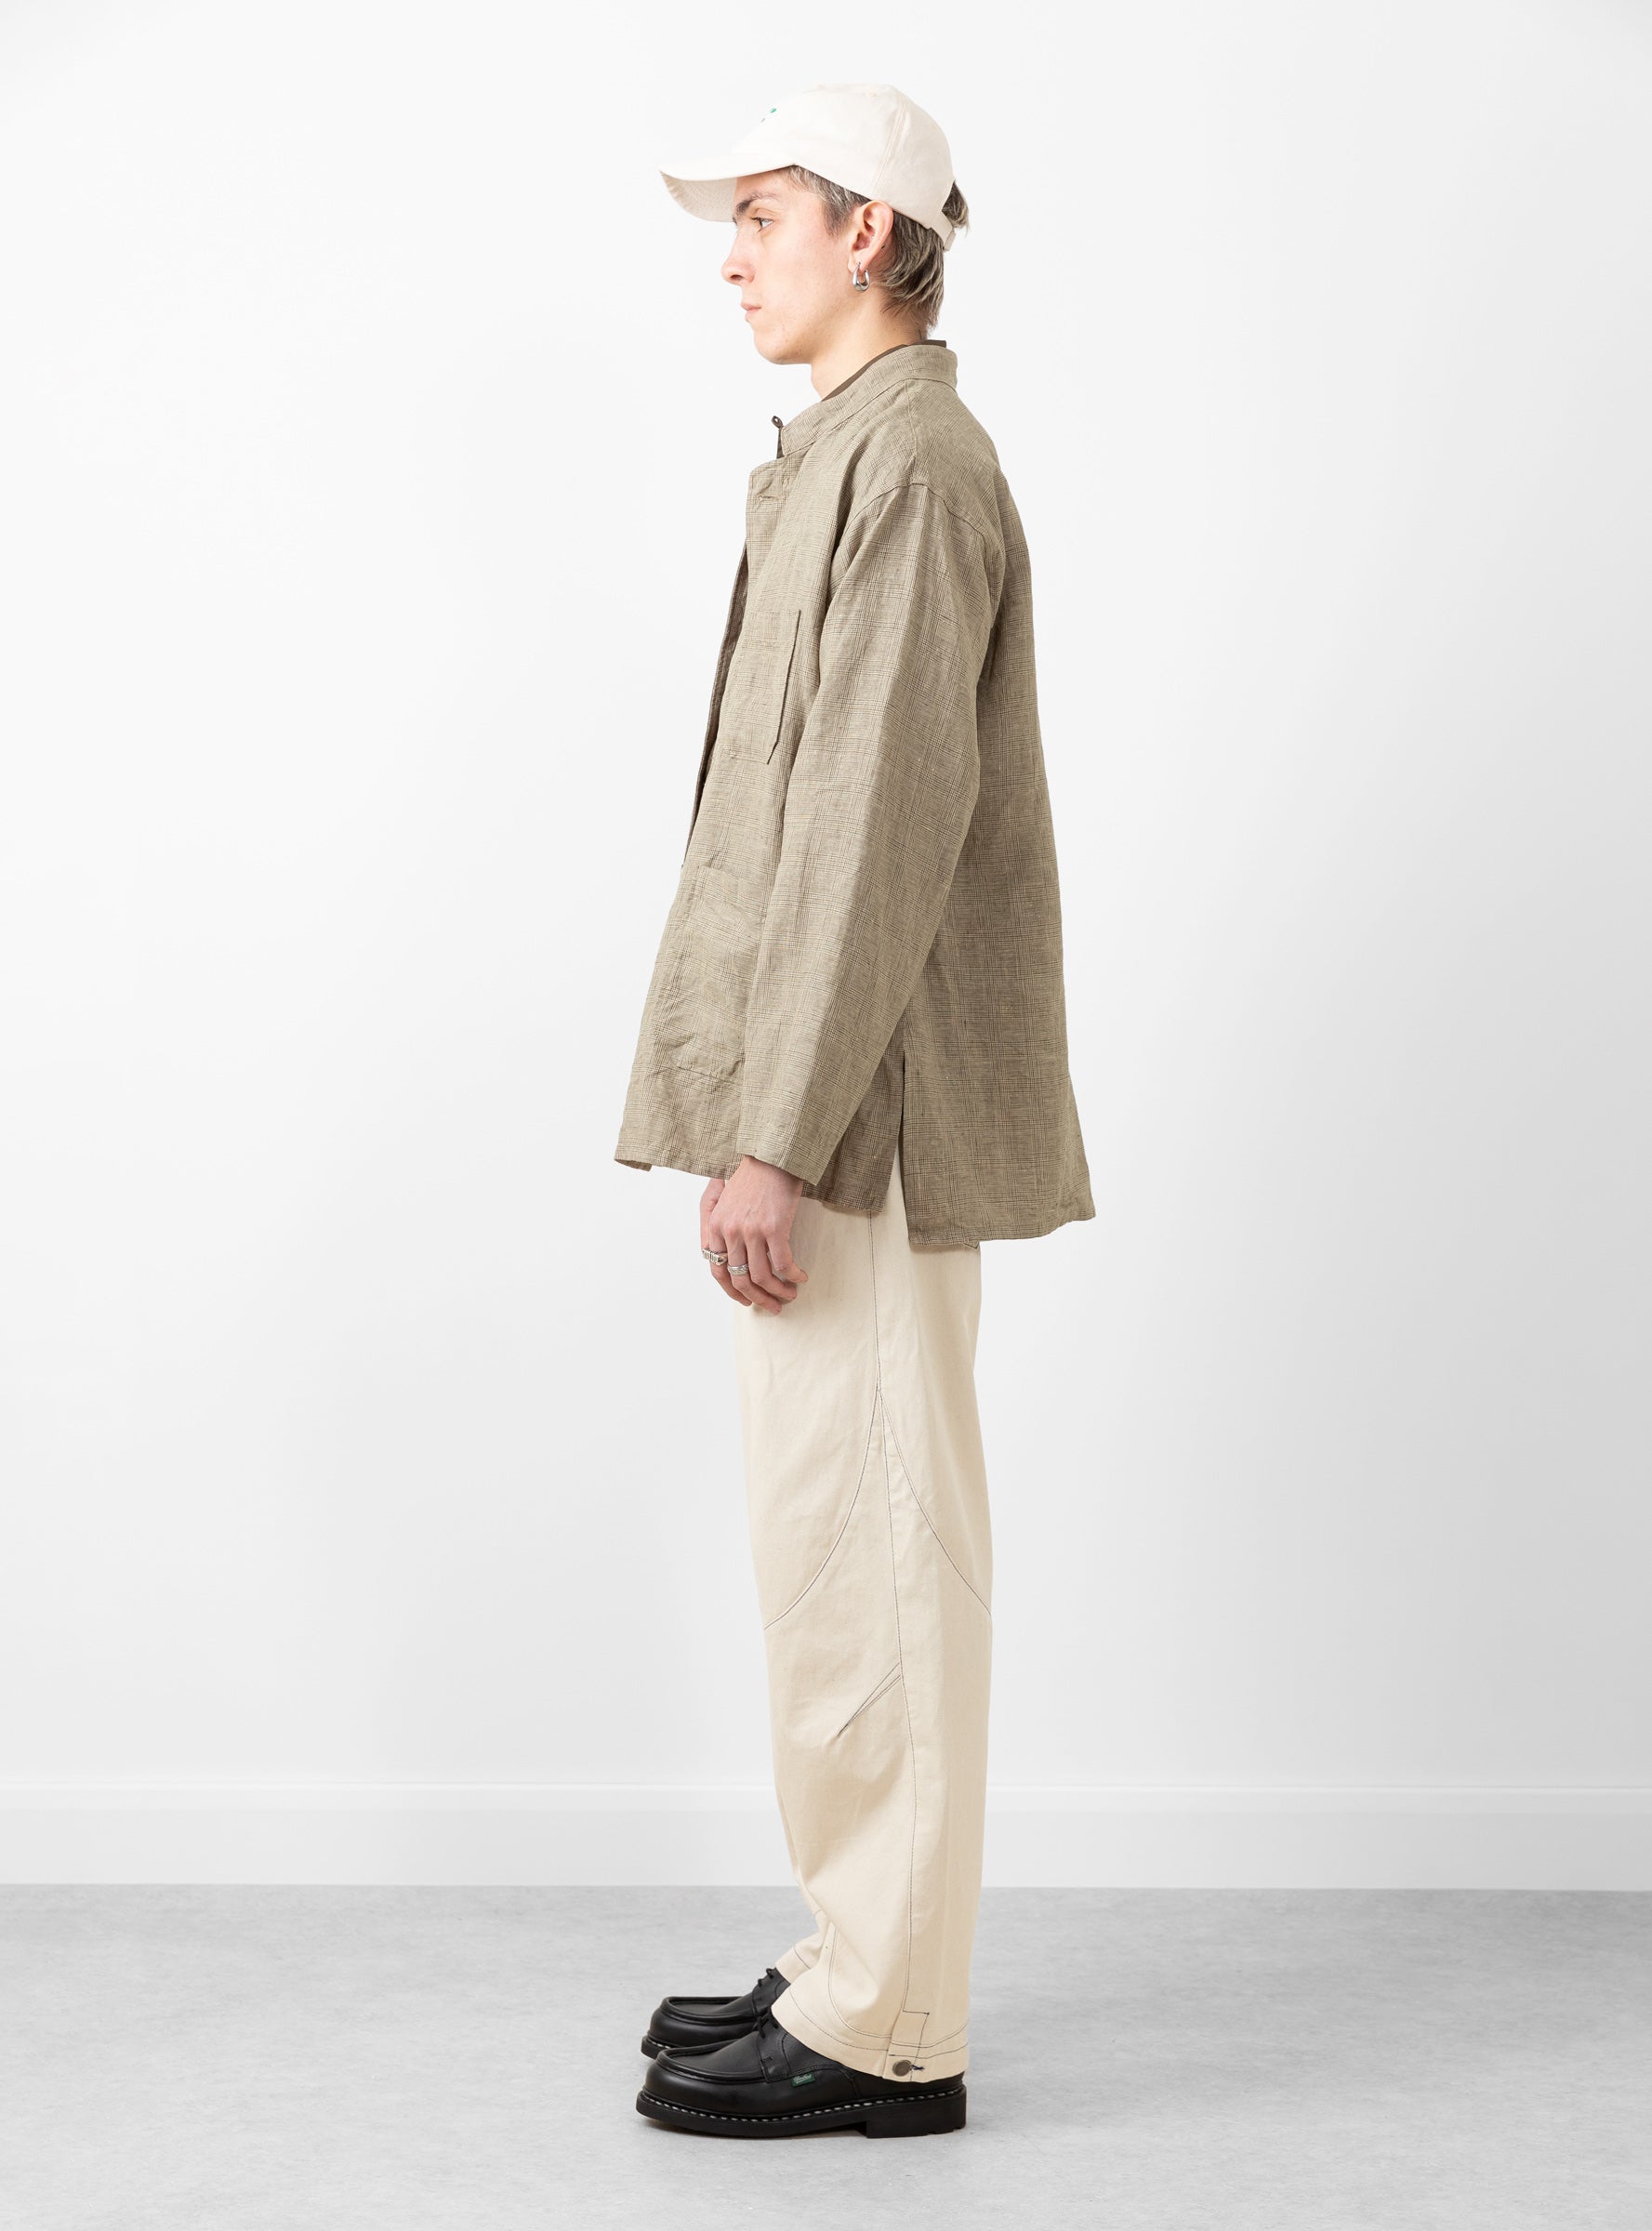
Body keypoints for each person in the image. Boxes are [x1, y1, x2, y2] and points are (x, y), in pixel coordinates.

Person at [614, 81, 1094, 2141]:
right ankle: (855, 1958)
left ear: (870, 233)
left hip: (861, 1122)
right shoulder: (844, 457)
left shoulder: (912, 468)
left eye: (764, 216)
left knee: (877, 1559)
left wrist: (777, 1133)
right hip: (829, 1107)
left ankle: (891, 2026)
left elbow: (877, 829)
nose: (731, 255)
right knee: (831, 1552)